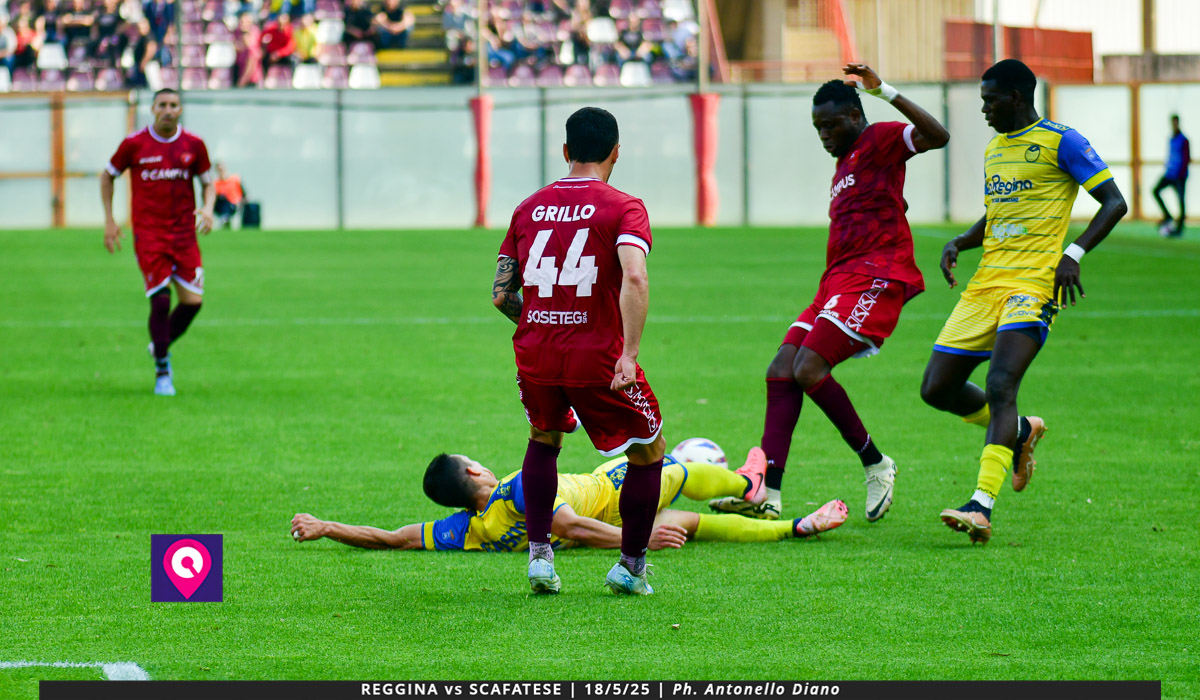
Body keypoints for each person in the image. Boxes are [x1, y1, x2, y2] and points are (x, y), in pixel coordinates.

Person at [710, 63, 949, 525]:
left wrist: (886, 90)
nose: (824, 135)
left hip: (876, 275)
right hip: (836, 282)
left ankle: (876, 464)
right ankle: (768, 493)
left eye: (831, 124)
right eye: (818, 127)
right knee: (781, 370)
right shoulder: (844, 165)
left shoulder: (877, 139)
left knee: (809, 367)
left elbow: (937, 135)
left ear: (856, 117)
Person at [492, 107, 707, 596]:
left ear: (565, 152)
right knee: (649, 450)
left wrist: (541, 324)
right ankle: (630, 568)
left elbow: (502, 294)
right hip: (598, 356)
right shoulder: (624, 206)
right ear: (616, 152)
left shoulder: (528, 208)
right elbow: (635, 274)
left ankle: (541, 559)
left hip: (537, 352)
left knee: (543, 437)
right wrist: (628, 354)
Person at [920, 59, 1127, 544]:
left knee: (1000, 382)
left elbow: (1114, 201)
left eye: (990, 100)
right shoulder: (996, 149)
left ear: (1016, 96)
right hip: (987, 283)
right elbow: (997, 213)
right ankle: (1017, 433)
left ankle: (981, 505)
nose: (985, 110)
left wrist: (1072, 254)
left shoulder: (1062, 141)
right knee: (936, 388)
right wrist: (961, 241)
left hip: (1033, 285)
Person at [289, 453, 849, 553]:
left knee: (691, 524)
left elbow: (390, 538)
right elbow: (574, 527)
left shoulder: (468, 531)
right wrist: (640, 540)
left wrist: (326, 525)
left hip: (617, 512)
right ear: (475, 470)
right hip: (618, 491)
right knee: (677, 472)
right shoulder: (518, 486)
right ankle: (749, 487)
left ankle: (794, 525)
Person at [100, 88, 216, 397]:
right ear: (152, 108)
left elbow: (208, 184)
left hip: (184, 236)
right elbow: (107, 175)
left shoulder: (194, 145)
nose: (167, 109)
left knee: (193, 303)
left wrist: (207, 208)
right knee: (161, 300)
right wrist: (110, 220)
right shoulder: (134, 144)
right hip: (150, 235)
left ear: (180, 110)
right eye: (162, 104)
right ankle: (163, 370)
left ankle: (159, 343)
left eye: (173, 105)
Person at [1153, 114, 1189, 237]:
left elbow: (1186, 158)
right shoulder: (1171, 139)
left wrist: (1180, 174)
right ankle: (1168, 216)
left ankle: (1179, 229)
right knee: (1155, 191)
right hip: (1169, 174)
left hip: (1179, 176)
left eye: (1175, 122)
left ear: (1178, 123)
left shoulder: (1184, 140)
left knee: (1180, 200)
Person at [213, 162, 243, 227]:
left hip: (233, 205)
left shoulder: (234, 179)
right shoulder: (215, 183)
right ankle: (225, 218)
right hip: (220, 205)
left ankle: (225, 218)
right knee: (222, 198)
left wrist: (240, 202)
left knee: (226, 202)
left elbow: (244, 194)